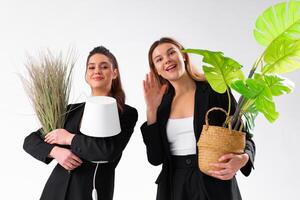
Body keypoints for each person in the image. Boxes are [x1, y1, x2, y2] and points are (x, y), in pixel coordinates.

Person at [140, 37, 255, 200]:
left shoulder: (215, 90)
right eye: (159, 59)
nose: (167, 60)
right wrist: (151, 110)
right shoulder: (161, 104)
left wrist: (243, 159)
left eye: (171, 52)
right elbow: (155, 158)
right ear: (157, 70)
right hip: (175, 186)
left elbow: (245, 136)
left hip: (215, 181)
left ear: (184, 56)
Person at [23, 46, 138, 200]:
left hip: (91, 192)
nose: (97, 70)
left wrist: (68, 138)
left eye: (104, 66)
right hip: (55, 190)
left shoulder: (125, 113)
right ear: (86, 75)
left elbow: (108, 151)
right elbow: (30, 141)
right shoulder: (71, 110)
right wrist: (56, 151)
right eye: (91, 67)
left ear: (114, 73)